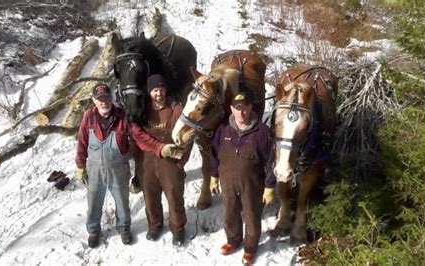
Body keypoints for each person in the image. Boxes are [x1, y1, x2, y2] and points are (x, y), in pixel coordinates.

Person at [75, 84, 183, 248]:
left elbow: (140, 136)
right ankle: (93, 231)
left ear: (111, 98)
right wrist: (80, 164)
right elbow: (82, 142)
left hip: (118, 168)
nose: (104, 102)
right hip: (95, 168)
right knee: (94, 203)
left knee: (122, 203)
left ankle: (124, 229)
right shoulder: (88, 117)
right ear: (94, 101)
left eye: (106, 98)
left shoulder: (122, 117)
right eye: (100, 99)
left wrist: (160, 148)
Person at [209, 91, 276, 264]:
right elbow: (213, 154)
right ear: (232, 109)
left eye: (244, 108)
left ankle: (250, 247)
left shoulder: (263, 132)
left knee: (252, 214)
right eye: (237, 109)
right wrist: (213, 176)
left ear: (251, 108)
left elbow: (271, 161)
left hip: (252, 183)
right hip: (228, 181)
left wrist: (269, 186)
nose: (241, 112)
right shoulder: (223, 130)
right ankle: (233, 240)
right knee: (230, 211)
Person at [137, 74, 191, 247]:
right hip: (147, 161)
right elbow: (136, 134)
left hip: (170, 162)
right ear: (149, 92)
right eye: (154, 90)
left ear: (166, 90)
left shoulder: (176, 110)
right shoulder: (142, 111)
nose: (158, 93)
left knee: (174, 197)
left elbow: (188, 137)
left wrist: (181, 161)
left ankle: (178, 229)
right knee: (150, 196)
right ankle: (154, 225)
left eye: (161, 89)